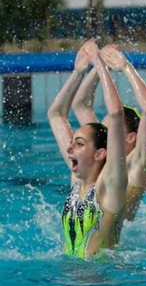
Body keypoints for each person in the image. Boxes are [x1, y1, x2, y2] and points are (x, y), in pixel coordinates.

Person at [47, 40, 127, 259]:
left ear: (100, 154)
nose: (70, 147)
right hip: (71, 282)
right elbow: (56, 115)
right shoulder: (77, 182)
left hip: (101, 284)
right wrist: (78, 72)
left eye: (79, 144)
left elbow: (117, 115)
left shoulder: (110, 186)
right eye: (73, 142)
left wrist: (99, 63)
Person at [72, 44, 146, 222]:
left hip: (119, 243)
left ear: (131, 138)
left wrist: (126, 68)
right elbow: (81, 105)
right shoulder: (102, 158)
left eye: (110, 132)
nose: (105, 136)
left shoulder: (138, 163)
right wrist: (98, 65)